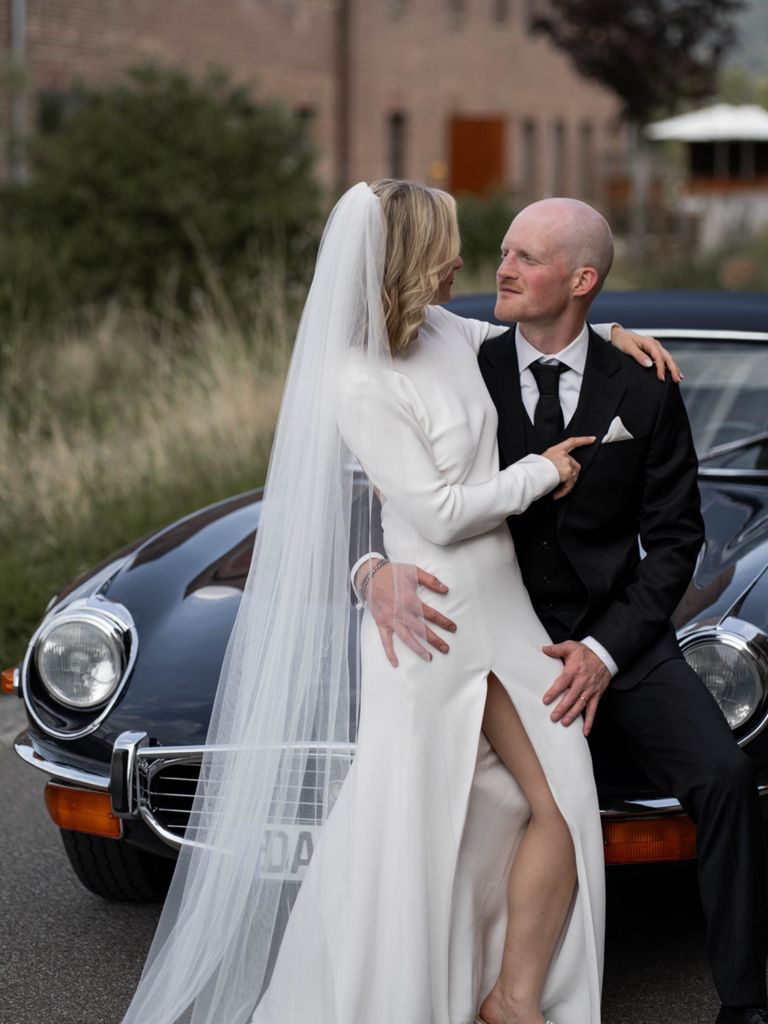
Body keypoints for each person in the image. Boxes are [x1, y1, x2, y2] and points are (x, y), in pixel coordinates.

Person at [118, 181, 675, 1024]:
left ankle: (509, 990)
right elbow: (439, 513)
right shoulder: (358, 377)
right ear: (411, 256)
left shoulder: (448, 330)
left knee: (545, 800)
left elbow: (542, 340)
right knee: (421, 818)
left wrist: (612, 336)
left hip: (505, 612)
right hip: (437, 622)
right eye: (449, 244)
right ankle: (422, 996)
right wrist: (541, 472)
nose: (466, 260)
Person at [361, 196, 768, 1024]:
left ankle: (747, 1002)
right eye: (503, 251)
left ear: (581, 281)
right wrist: (369, 571)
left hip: (619, 639)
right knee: (456, 797)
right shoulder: (461, 361)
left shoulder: (643, 382)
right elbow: (385, 485)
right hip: (490, 634)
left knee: (727, 778)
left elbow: (677, 541)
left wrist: (605, 652)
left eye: (525, 257)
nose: (500, 268)